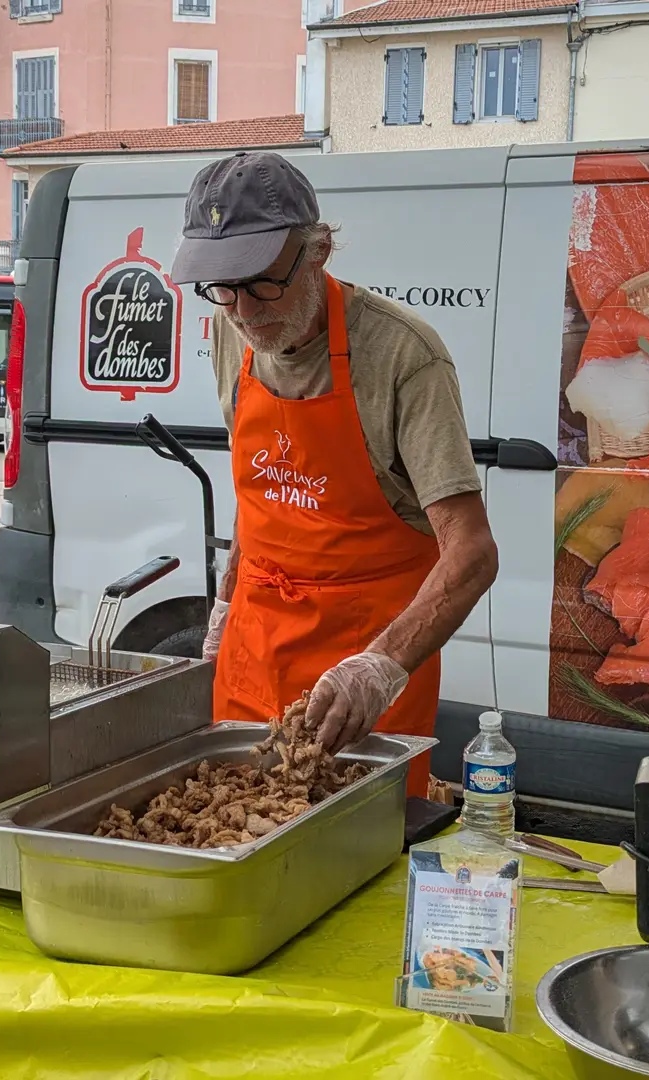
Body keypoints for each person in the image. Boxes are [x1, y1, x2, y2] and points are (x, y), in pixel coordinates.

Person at [169, 151, 499, 797]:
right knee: (228, 819)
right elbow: (259, 487)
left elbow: (472, 553)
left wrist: (380, 668)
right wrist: (225, 603)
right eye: (222, 286)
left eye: (262, 282)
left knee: (354, 840)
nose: (243, 310)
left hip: (361, 664)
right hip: (254, 646)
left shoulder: (404, 355)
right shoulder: (232, 330)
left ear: (318, 250)